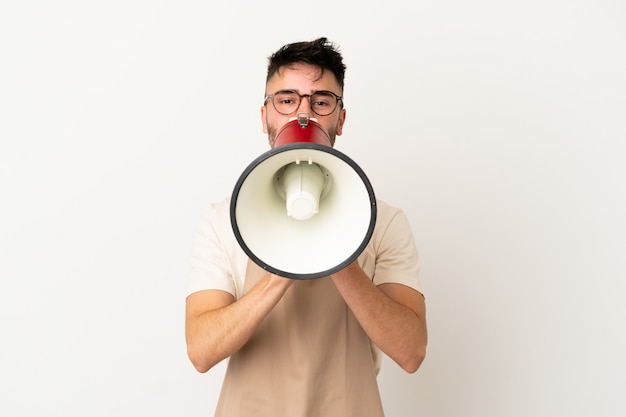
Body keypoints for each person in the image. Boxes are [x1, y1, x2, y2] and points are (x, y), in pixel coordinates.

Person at [185, 37, 427, 417]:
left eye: (321, 101)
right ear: (265, 115)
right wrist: (287, 259)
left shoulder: (385, 222)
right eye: (286, 100)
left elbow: (411, 352)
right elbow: (200, 351)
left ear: (340, 119)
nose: (303, 115)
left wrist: (336, 247)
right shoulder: (221, 221)